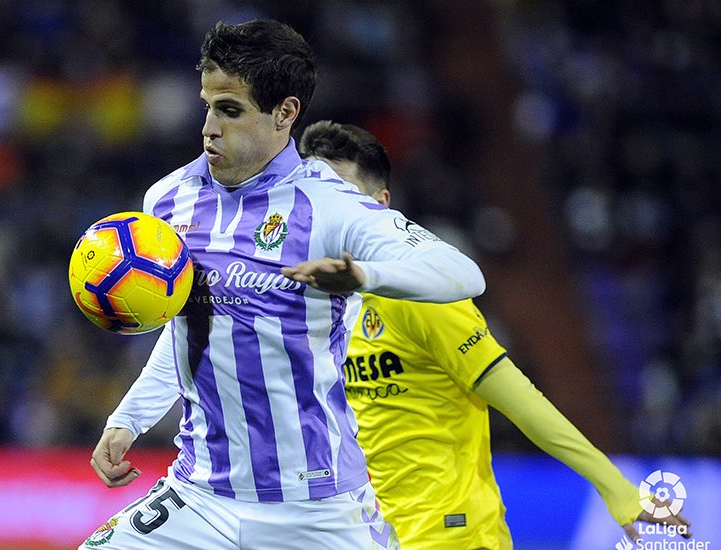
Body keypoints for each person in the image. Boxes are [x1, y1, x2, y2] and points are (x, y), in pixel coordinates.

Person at [78, 20, 486, 550]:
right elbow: (186, 325)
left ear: (285, 113)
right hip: (202, 494)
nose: (209, 129)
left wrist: (362, 275)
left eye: (230, 110)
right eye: (207, 106)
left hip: (319, 507)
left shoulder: (332, 206)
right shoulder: (166, 201)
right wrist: (129, 419)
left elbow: (463, 274)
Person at [297, 119, 694, 549]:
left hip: (454, 534)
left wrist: (613, 485)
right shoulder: (316, 309)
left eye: (341, 194)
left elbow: (522, 400)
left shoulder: (420, 296)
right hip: (371, 535)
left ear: (380, 205)